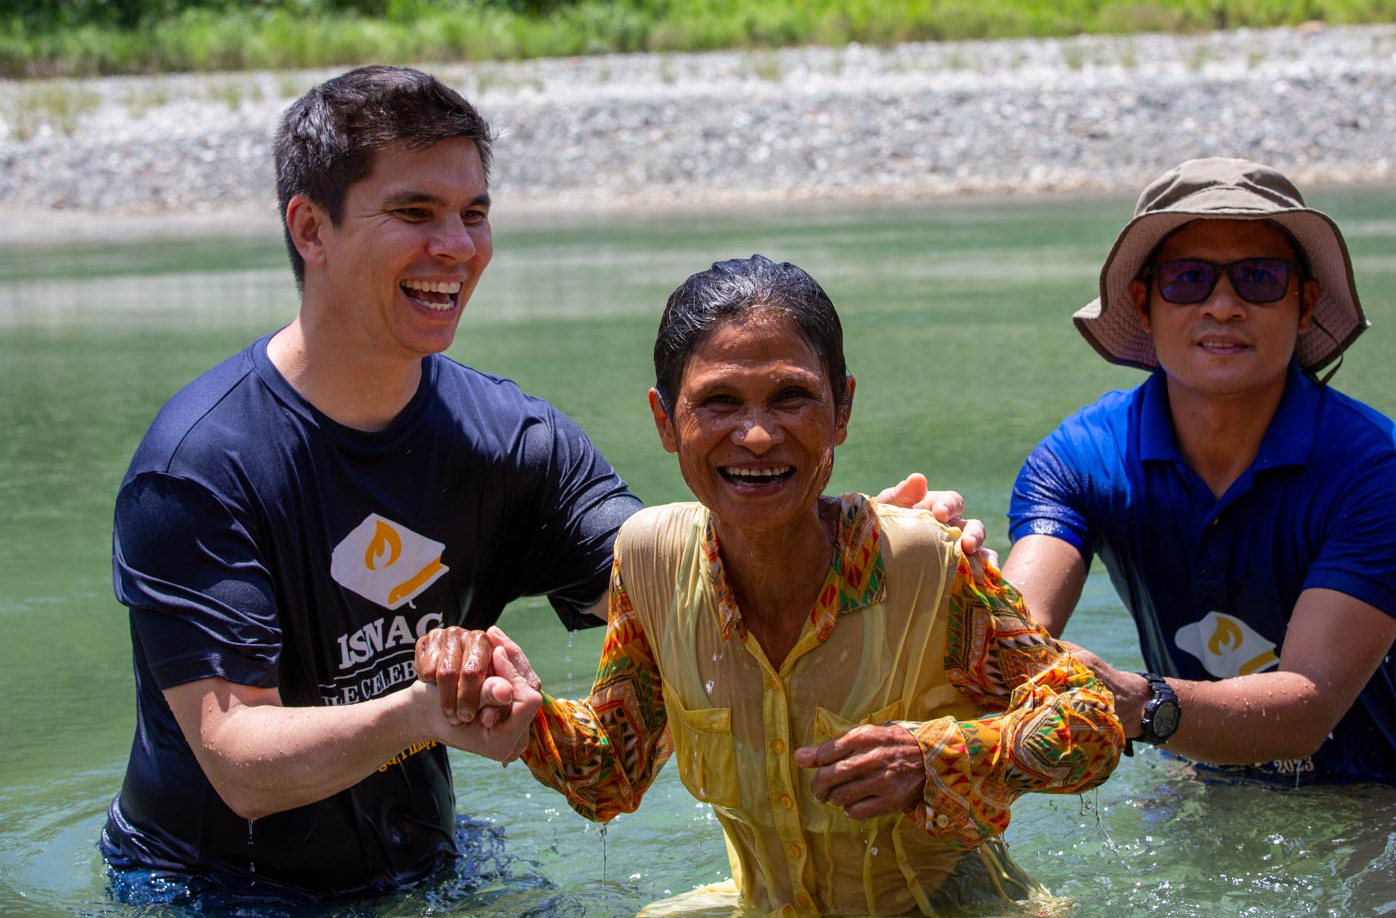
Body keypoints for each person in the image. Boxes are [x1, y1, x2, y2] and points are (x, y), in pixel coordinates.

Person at [101, 65, 981, 903]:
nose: (456, 247)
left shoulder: (512, 441)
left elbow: (686, 587)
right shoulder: (202, 465)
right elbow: (236, 762)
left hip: (428, 863)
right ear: (309, 228)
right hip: (210, 888)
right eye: (415, 211)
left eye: (473, 212)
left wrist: (854, 551)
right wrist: (420, 714)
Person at [422, 255, 1123, 916]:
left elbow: (1093, 722)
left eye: (792, 397)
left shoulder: (925, 562)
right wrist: (519, 711)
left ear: (841, 411)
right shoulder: (651, 561)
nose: (757, 436)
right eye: (718, 402)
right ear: (666, 422)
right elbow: (613, 771)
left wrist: (935, 757)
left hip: (958, 905)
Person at [1004, 157, 1396, 782]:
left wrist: (1138, 703)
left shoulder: (1381, 472)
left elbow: (1308, 707)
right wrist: (915, 553)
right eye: (1188, 278)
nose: (1223, 306)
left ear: (1305, 303)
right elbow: (1014, 640)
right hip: (1205, 778)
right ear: (1144, 303)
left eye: (1258, 277)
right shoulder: (1078, 461)